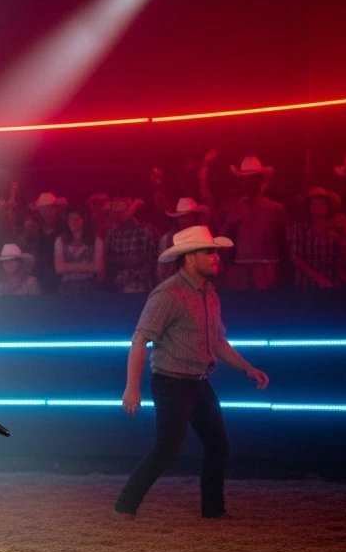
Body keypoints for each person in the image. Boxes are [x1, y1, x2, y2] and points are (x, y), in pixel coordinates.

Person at [113, 225, 269, 520]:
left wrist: (247, 368)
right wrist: (132, 387)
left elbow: (218, 340)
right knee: (168, 450)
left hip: (197, 381)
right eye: (208, 252)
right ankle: (124, 506)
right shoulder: (168, 294)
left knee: (217, 443)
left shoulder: (208, 293)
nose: (215, 257)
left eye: (215, 252)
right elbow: (139, 338)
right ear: (188, 258)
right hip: (172, 382)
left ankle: (212, 510)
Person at [218, 156, 287, 290]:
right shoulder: (229, 208)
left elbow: (284, 244)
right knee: (242, 308)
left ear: (260, 180)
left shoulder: (276, 209)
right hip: (239, 270)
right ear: (240, 180)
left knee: (267, 308)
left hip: (268, 269)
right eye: (245, 177)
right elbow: (219, 241)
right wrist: (231, 220)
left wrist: (282, 274)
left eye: (253, 177)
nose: (248, 182)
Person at [288, 187, 344, 289]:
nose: (318, 207)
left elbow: (342, 255)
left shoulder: (337, 227)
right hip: (306, 283)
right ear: (308, 207)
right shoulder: (299, 228)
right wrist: (318, 277)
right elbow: (295, 257)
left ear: (328, 206)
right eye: (314, 204)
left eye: (323, 203)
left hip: (332, 281)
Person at [104, 198, 158, 293]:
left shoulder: (147, 231)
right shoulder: (111, 235)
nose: (117, 217)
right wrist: (124, 261)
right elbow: (106, 261)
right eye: (115, 214)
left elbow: (157, 259)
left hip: (145, 287)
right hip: (118, 289)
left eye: (119, 214)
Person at [55, 205, 105, 293]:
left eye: (77, 218)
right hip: (67, 287)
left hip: (90, 286)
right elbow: (59, 268)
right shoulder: (60, 240)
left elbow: (98, 267)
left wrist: (68, 266)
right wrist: (89, 267)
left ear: (84, 220)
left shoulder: (97, 240)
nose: (73, 222)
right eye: (70, 218)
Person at [28, 192, 66, 293]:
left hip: (62, 277)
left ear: (55, 209)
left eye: (49, 208)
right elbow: (30, 250)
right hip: (40, 275)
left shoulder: (65, 228)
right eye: (43, 209)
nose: (46, 212)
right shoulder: (34, 229)